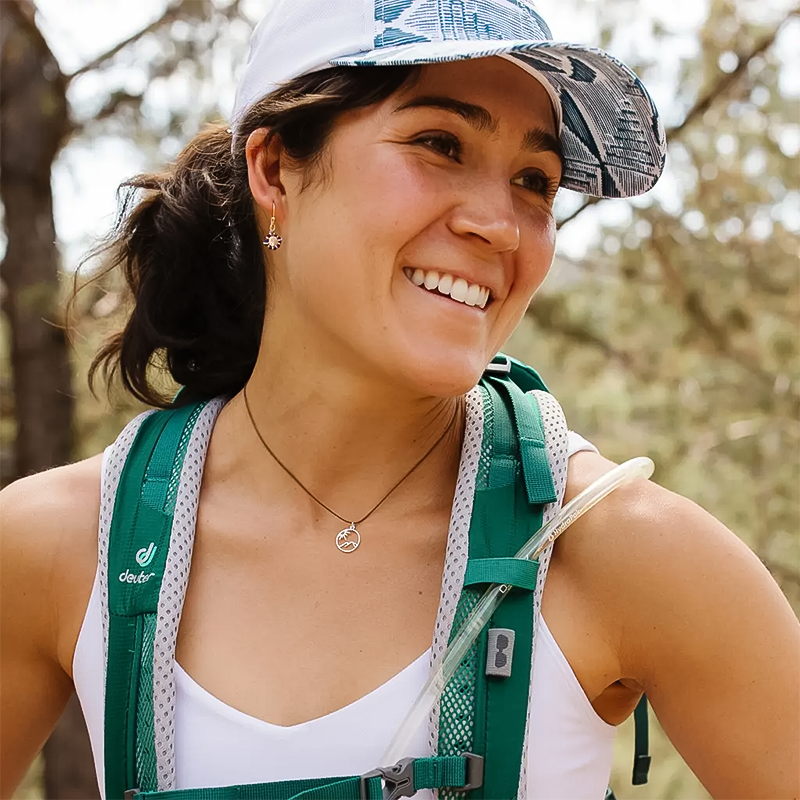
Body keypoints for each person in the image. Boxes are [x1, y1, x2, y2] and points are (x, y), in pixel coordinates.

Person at [1, 1, 798, 798]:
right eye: (439, 144)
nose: (502, 226)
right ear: (275, 168)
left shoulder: (621, 551)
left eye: (535, 181)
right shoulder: (64, 546)